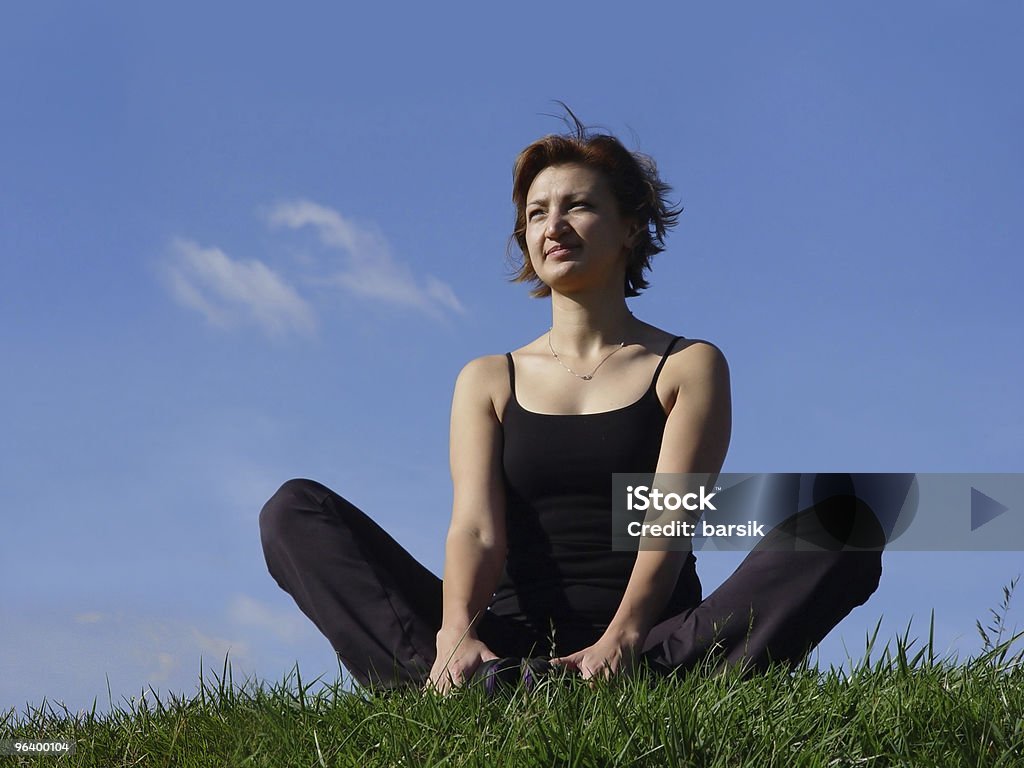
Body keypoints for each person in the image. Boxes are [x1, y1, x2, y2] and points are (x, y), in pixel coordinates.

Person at [258, 112, 885, 693]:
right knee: (294, 510)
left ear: (631, 227)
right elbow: (476, 529)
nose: (552, 226)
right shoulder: (487, 379)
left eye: (577, 206)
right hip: (503, 647)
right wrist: (455, 635)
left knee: (844, 521)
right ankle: (455, 683)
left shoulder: (688, 367)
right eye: (536, 214)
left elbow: (671, 522)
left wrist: (624, 637)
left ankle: (631, 685)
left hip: (652, 644)